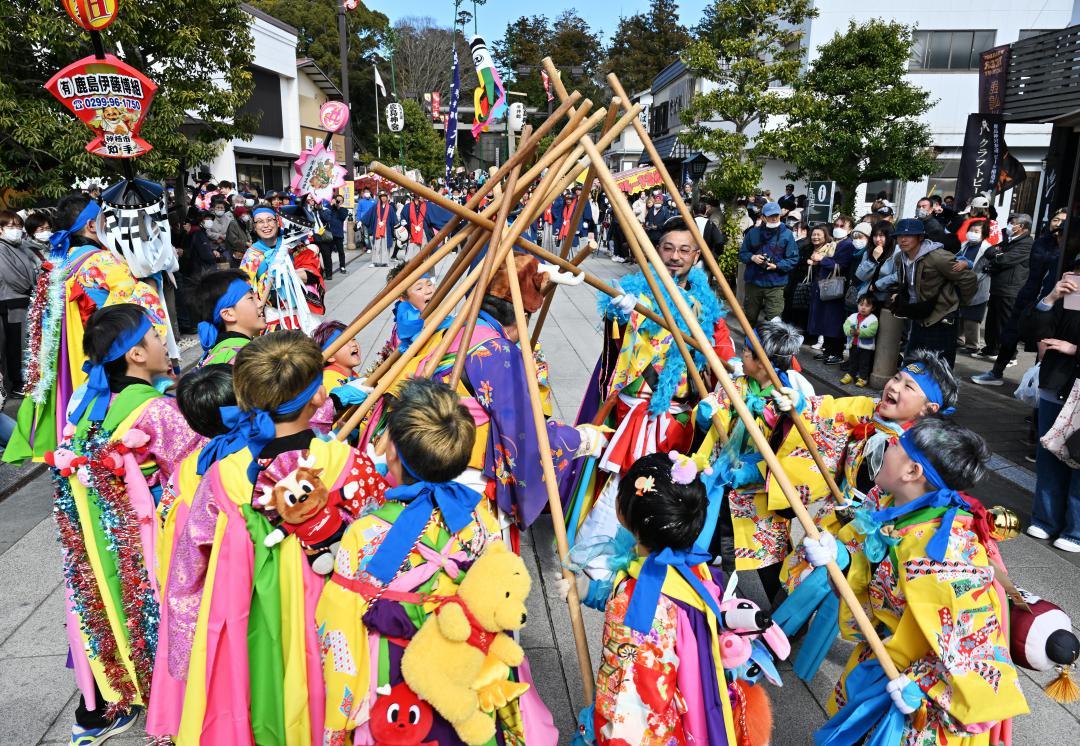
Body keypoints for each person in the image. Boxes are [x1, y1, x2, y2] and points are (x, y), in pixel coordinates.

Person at [164, 332, 388, 743]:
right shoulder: (345, 463)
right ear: (320, 396)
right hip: (332, 611)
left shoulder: (224, 476)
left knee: (256, 700)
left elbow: (187, 571)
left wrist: (186, 654)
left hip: (250, 617)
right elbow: (380, 539)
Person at [317, 377, 556, 744]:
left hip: (392, 669)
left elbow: (339, 623)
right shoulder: (479, 519)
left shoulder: (365, 532)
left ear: (392, 451)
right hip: (464, 663)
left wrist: (340, 712)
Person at [807, 418, 1028, 744]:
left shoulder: (944, 554)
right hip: (885, 654)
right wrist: (841, 556)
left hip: (919, 685)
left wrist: (924, 685)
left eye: (897, 446)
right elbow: (867, 553)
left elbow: (972, 636)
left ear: (912, 472)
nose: (887, 445)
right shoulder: (894, 507)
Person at [52, 304, 204, 744]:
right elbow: (194, 473)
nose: (162, 341)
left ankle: (106, 697)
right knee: (159, 608)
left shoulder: (87, 406)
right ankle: (169, 697)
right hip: (146, 532)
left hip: (97, 535)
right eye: (154, 335)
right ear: (136, 355)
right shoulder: (157, 411)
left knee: (103, 605)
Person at [590, 451, 741, 744]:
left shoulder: (638, 605)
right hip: (689, 696)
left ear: (624, 511)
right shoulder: (696, 567)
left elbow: (630, 700)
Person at [4, 193, 167, 464]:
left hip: (70, 360)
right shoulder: (102, 261)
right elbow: (133, 307)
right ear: (92, 225)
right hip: (102, 356)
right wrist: (150, 283)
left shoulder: (58, 263)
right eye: (105, 220)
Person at [973, 208, 1068, 386]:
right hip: (1028, 295)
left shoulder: (1068, 248)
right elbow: (1037, 263)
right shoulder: (1041, 243)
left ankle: (1036, 382)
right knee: (1010, 333)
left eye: (1063, 220)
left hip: (1054, 301)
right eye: (1055, 220)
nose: (1058, 224)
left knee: (1043, 341)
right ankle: (996, 372)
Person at [1025, 275, 1080, 552]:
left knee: (1078, 459)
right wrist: (1050, 299)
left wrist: (1075, 349)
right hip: (1055, 385)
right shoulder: (1067, 298)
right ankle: (1045, 519)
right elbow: (1036, 332)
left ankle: (1076, 530)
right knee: (1048, 455)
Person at [890, 218, 977, 366]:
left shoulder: (938, 257)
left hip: (942, 317)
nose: (903, 240)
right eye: (899, 236)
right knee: (913, 362)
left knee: (939, 366)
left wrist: (956, 303)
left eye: (909, 235)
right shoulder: (900, 258)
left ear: (920, 237)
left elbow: (969, 278)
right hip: (919, 314)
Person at [240, 205, 322, 332]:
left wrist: (287, 273)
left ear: (277, 222)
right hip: (272, 317)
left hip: (302, 313)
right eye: (260, 221)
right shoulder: (251, 255)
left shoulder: (294, 245)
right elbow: (246, 288)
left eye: (269, 220)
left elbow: (312, 274)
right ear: (254, 226)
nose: (266, 225)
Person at [976, 213, 1033, 361]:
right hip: (998, 286)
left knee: (1005, 323)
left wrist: (999, 255)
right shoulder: (1009, 241)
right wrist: (998, 254)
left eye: (1012, 223)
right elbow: (990, 252)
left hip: (1011, 288)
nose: (1009, 226)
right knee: (992, 321)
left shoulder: (1026, 243)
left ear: (1021, 227)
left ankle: (1009, 355)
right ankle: (991, 348)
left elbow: (1004, 259)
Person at [738, 202, 800, 325]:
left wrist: (777, 266)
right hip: (754, 282)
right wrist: (752, 257)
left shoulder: (787, 234)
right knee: (749, 317)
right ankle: (749, 342)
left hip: (776, 284)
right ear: (763, 217)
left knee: (775, 320)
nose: (774, 218)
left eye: (776, 215)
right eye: (770, 216)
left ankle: (772, 344)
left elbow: (793, 258)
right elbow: (742, 254)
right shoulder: (753, 233)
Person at [0, 209, 40, 394]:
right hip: (11, 301)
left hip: (24, 299)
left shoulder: (20, 246)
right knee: (16, 343)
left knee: (25, 341)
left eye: (18, 226)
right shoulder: (1, 248)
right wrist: (32, 287)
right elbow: (12, 277)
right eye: (11, 226)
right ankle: (17, 384)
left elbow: (37, 268)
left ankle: (23, 380)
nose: (16, 230)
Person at [807, 217, 855, 365]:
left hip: (835, 286)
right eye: (836, 225)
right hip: (825, 284)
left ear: (850, 229)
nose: (838, 227)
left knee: (834, 321)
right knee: (825, 320)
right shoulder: (834, 243)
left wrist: (822, 259)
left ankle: (837, 352)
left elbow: (842, 265)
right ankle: (828, 350)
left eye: (842, 226)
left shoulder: (847, 245)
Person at [193, 269, 266, 366]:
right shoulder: (245, 359)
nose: (260, 304)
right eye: (251, 298)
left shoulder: (219, 351)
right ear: (228, 314)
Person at [954, 218, 994, 354]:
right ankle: (959, 340)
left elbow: (982, 271)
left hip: (977, 287)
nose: (972, 233)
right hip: (962, 285)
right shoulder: (965, 245)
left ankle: (972, 345)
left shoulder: (988, 249)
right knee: (960, 314)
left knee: (972, 317)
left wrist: (967, 278)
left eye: (976, 231)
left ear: (984, 234)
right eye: (971, 230)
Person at [840, 294, 879, 387]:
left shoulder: (873, 319)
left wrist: (859, 332)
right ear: (857, 305)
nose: (863, 308)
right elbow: (845, 326)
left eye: (867, 305)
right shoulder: (853, 316)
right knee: (853, 360)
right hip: (853, 344)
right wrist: (850, 331)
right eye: (861, 305)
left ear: (873, 308)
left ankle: (863, 377)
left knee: (864, 363)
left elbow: (871, 331)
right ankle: (851, 374)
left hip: (866, 347)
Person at [853, 222, 898, 303]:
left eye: (881, 236)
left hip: (886, 299)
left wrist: (878, 285)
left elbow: (899, 275)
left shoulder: (897, 252)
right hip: (867, 298)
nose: (877, 239)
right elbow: (860, 276)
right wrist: (873, 259)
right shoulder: (869, 251)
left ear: (889, 236)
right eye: (875, 235)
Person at [362, 190, 397, 267]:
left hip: (386, 229)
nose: (383, 198)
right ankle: (375, 262)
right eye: (382, 197)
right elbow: (368, 215)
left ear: (387, 198)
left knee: (385, 245)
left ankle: (385, 261)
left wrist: (396, 227)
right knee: (377, 245)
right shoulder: (375, 207)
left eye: (385, 197)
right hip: (377, 228)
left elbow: (394, 219)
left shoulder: (390, 208)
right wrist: (361, 221)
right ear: (380, 198)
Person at [324, 193, 350, 275]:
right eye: (337, 200)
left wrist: (338, 207)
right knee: (328, 252)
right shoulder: (329, 208)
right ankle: (328, 268)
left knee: (341, 251)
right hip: (329, 234)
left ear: (342, 202)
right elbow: (324, 214)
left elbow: (342, 217)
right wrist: (331, 204)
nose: (338, 201)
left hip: (338, 234)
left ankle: (342, 266)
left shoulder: (343, 210)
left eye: (340, 200)